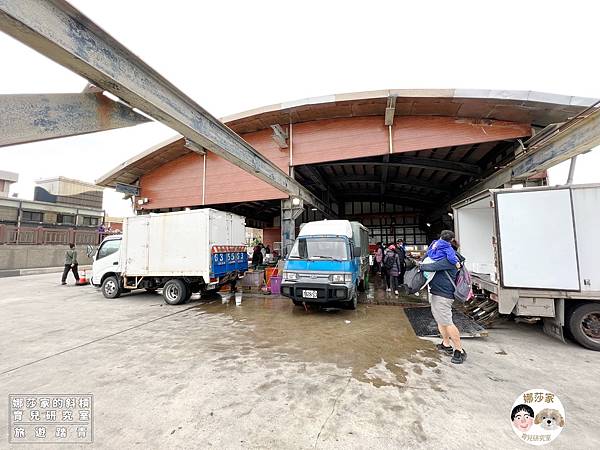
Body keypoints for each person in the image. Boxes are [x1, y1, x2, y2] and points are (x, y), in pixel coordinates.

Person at [419, 231, 467, 364]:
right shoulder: (443, 255)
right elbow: (429, 254)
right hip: (436, 293)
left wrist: (419, 265)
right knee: (441, 321)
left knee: (447, 322)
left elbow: (431, 266)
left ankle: (459, 350)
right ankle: (446, 344)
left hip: (444, 296)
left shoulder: (450, 260)